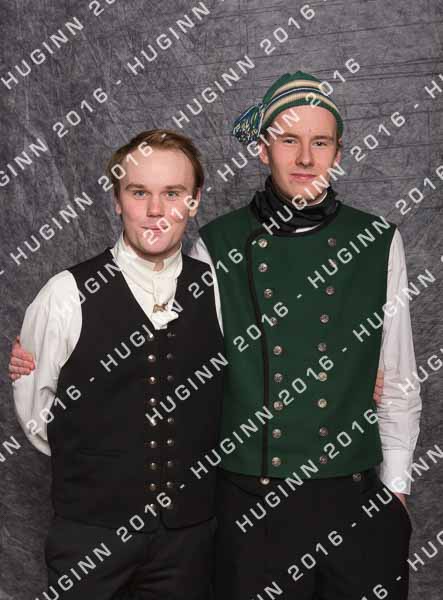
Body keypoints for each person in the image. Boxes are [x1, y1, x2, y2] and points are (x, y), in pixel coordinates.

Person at [188, 71, 422, 599]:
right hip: (252, 505)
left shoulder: (378, 240)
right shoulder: (215, 244)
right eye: (288, 140)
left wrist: (397, 488)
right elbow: (189, 373)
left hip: (355, 498)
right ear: (263, 149)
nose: (305, 158)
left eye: (320, 142)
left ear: (337, 153)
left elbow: (399, 378)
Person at [9, 129, 224, 599]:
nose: (155, 210)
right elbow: (37, 416)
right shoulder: (65, 294)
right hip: (90, 534)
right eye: (139, 192)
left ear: (194, 201)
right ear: (116, 199)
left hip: (189, 538)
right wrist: (99, 465)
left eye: (173, 193)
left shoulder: (219, 289)